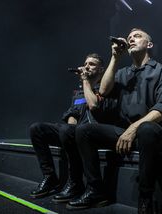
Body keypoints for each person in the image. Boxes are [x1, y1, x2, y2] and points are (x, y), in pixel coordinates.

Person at [67, 28, 162, 213]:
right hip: (124, 132)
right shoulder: (122, 73)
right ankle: (95, 189)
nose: (131, 39)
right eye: (130, 37)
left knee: (147, 129)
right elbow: (103, 91)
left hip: (152, 131)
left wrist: (134, 128)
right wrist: (115, 57)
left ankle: (145, 198)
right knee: (83, 130)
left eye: (137, 36)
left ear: (149, 44)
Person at [29, 53, 117, 203]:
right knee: (37, 129)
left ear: (101, 70)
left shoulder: (106, 88)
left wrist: (85, 81)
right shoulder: (79, 91)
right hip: (75, 133)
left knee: (70, 130)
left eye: (92, 64)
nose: (86, 66)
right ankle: (49, 177)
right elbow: (72, 114)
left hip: (93, 133)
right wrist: (69, 131)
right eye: (85, 63)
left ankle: (76, 183)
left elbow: (94, 105)